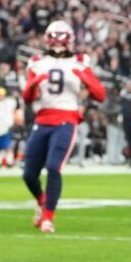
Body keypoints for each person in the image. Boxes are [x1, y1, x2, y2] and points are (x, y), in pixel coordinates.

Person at [21, 21, 105, 234]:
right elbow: (28, 98)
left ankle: (48, 217)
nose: (57, 44)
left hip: (67, 118)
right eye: (54, 39)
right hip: (42, 119)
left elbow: (100, 94)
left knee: (53, 167)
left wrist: (83, 76)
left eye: (61, 39)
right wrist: (33, 83)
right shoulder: (37, 61)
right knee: (29, 174)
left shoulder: (80, 61)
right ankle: (42, 202)